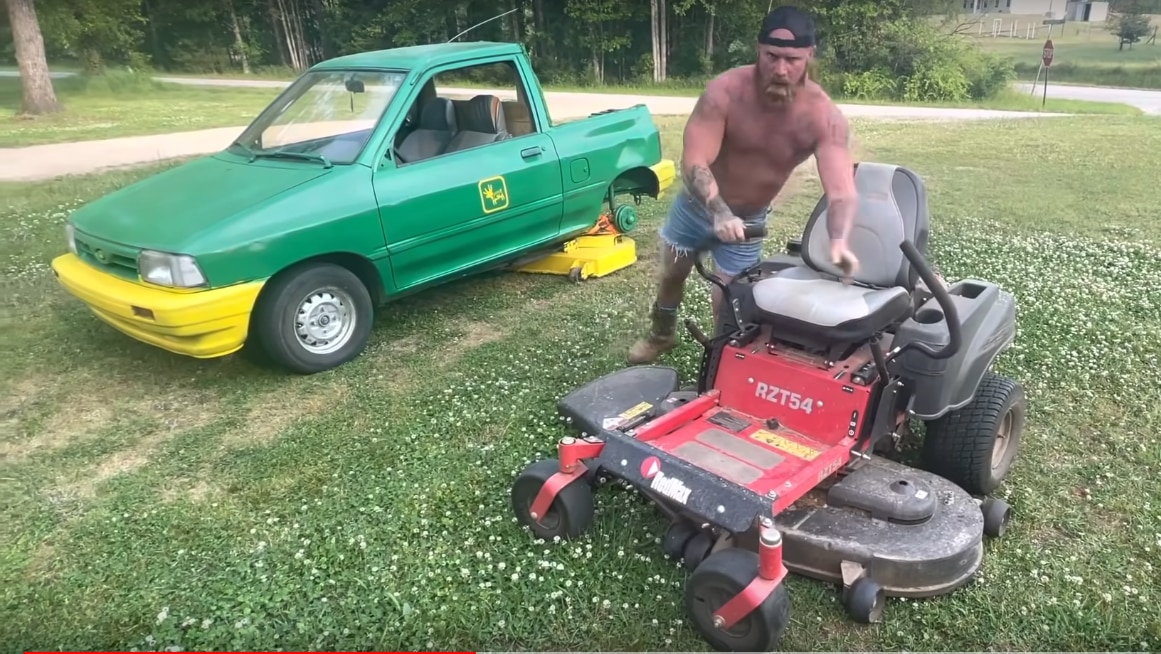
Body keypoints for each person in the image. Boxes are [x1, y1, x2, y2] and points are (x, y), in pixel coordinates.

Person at [627, 5, 861, 365]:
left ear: (809, 56)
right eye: (772, 56)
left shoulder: (823, 117)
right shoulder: (725, 91)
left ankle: (719, 357)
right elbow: (694, 161)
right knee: (673, 271)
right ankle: (662, 333)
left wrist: (841, 240)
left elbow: (842, 191)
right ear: (758, 49)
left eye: (792, 59)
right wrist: (718, 211)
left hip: (748, 221)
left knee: (731, 296)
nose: (781, 69)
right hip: (695, 208)